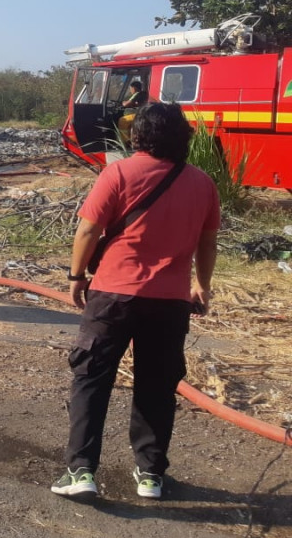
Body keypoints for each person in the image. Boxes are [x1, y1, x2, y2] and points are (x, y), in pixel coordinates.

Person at [51, 103, 219, 501]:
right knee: (157, 388)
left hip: (113, 296)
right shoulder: (203, 184)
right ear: (184, 138)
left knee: (91, 380)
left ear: (137, 136)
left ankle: (81, 472)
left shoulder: (118, 173)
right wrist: (202, 286)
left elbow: (88, 230)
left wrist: (76, 277)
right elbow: (207, 241)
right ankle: (150, 476)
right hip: (170, 302)